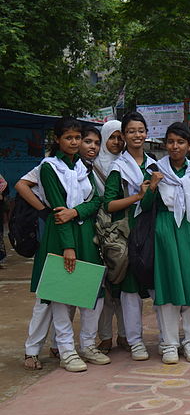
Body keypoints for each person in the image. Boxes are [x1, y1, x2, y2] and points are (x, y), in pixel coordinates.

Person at [23, 117, 108, 373]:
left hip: (84, 232)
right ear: (58, 140)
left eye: (77, 137)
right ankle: (67, 351)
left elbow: (96, 201)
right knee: (60, 295)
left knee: (93, 291)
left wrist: (76, 212)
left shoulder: (84, 168)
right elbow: (59, 208)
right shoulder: (49, 168)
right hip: (61, 236)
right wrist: (68, 247)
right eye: (69, 137)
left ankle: (88, 345)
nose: (74, 142)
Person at [146, 122, 190, 364]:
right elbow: (143, 208)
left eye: (180, 142)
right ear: (165, 144)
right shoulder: (155, 170)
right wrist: (152, 187)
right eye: (171, 142)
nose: (175, 147)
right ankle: (169, 343)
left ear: (188, 145)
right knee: (167, 289)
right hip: (164, 232)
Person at [105, 112, 158, 361]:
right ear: (124, 136)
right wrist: (138, 196)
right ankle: (135, 341)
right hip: (128, 232)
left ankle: (165, 337)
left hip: (151, 230)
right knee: (130, 289)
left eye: (141, 130)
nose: (137, 135)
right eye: (131, 131)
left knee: (156, 284)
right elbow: (109, 205)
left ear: (146, 133)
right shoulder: (118, 167)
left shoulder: (154, 164)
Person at [92, 120, 128, 355]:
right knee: (103, 286)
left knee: (124, 285)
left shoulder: (128, 163)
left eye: (119, 137)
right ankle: (105, 337)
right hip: (99, 230)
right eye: (112, 137)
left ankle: (126, 335)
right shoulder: (92, 166)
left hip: (124, 229)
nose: (116, 142)